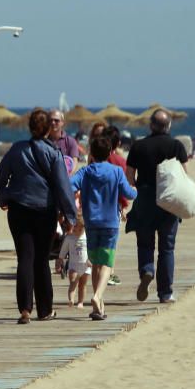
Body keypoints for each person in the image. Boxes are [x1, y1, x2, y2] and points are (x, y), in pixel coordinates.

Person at [0, 109, 78, 324]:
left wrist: (3, 197)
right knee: (41, 260)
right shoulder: (53, 152)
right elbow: (62, 185)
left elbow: (0, 178)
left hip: (19, 210)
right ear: (49, 128)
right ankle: (45, 309)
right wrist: (70, 215)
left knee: (25, 257)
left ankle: (25, 309)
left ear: (29, 127)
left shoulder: (16, 149)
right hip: (44, 210)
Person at [70, 131, 137, 319]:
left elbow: (69, 185)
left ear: (91, 153)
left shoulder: (85, 171)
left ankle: (98, 308)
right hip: (110, 223)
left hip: (91, 222)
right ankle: (98, 296)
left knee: (96, 263)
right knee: (107, 263)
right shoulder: (115, 171)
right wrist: (135, 191)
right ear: (109, 153)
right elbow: (128, 194)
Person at [126, 109, 188, 304]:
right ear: (168, 125)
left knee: (144, 244)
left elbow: (129, 176)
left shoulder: (138, 146)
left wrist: (139, 189)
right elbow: (184, 176)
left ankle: (146, 270)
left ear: (150, 125)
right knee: (167, 248)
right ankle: (165, 293)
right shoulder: (176, 146)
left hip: (145, 199)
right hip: (168, 200)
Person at [56, 213, 90, 308]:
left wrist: (91, 259)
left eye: (80, 229)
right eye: (74, 227)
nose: (76, 231)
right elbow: (63, 251)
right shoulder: (69, 238)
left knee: (83, 285)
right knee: (73, 282)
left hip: (86, 265)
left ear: (84, 228)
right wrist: (60, 260)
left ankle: (80, 302)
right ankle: (71, 299)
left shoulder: (88, 237)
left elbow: (91, 250)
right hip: (73, 265)